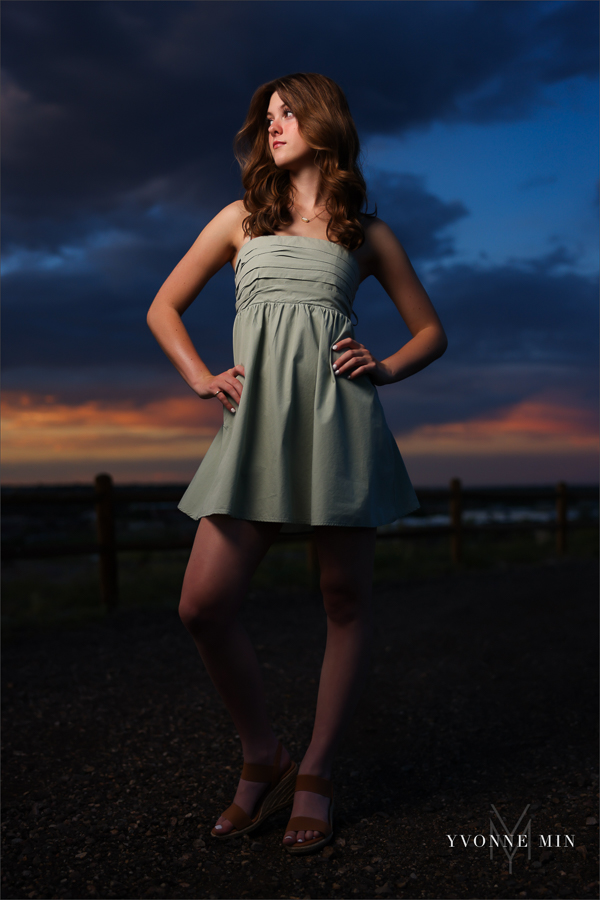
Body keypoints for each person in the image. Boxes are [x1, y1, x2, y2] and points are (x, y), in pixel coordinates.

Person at [147, 72, 447, 854]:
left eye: (286, 114)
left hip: (340, 427)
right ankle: (262, 754)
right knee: (202, 606)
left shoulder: (366, 235)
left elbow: (430, 333)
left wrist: (382, 368)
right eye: (267, 116)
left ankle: (314, 768)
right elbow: (163, 305)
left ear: (324, 123)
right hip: (252, 432)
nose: (272, 126)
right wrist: (199, 375)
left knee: (344, 600)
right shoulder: (238, 221)